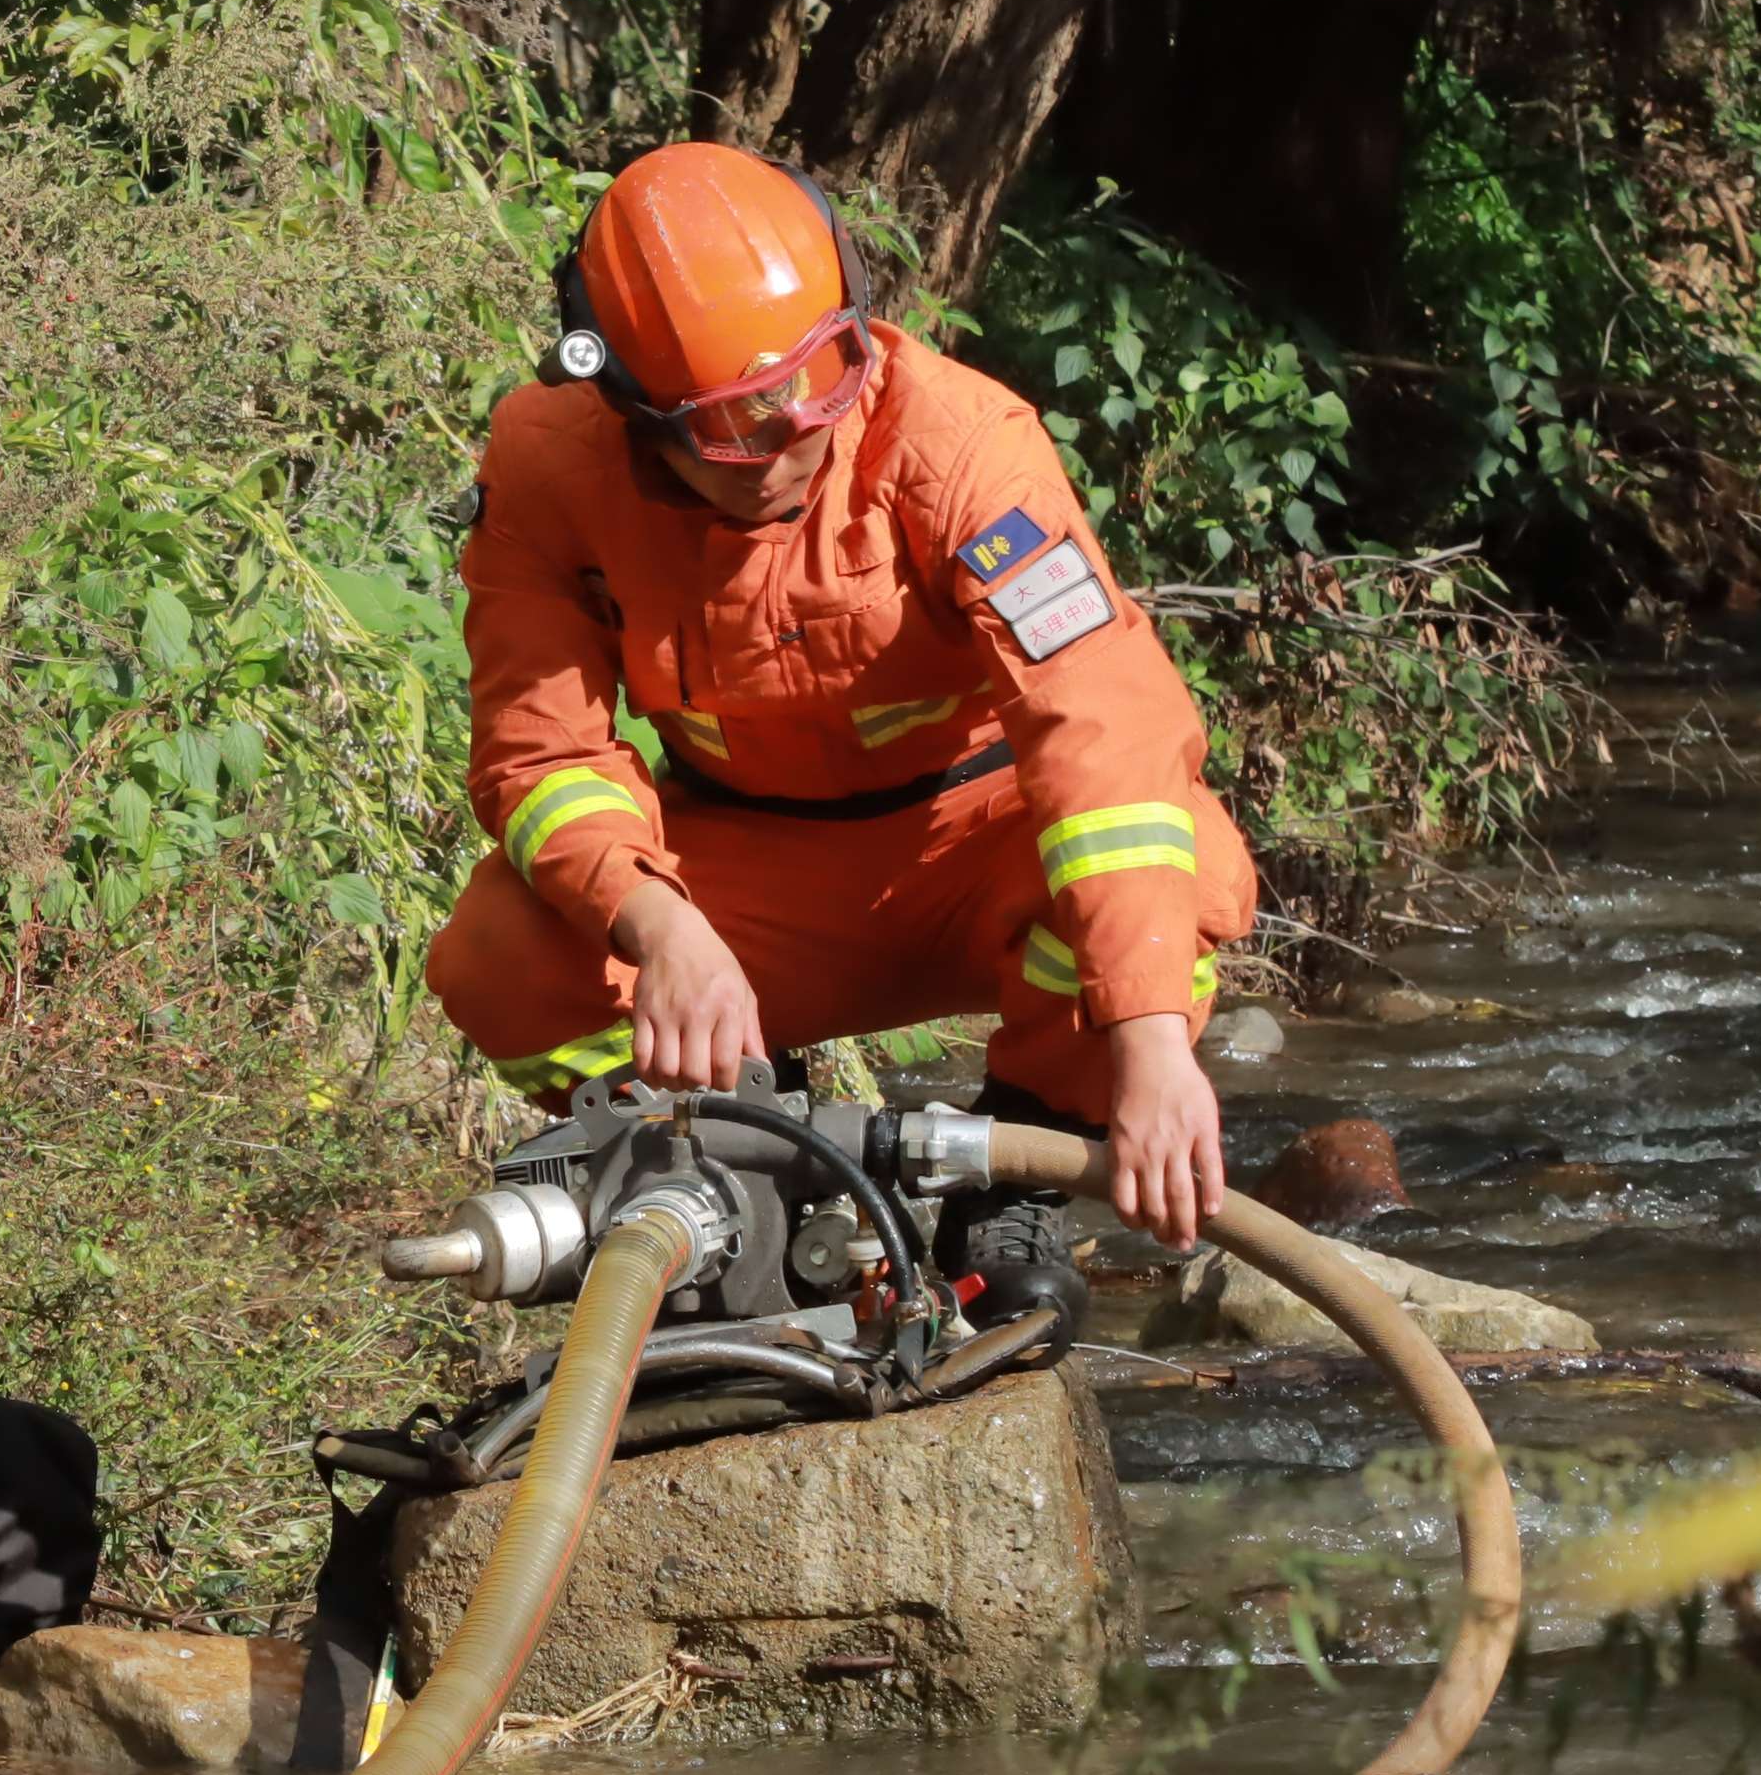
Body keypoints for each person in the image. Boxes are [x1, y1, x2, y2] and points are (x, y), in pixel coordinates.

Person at [425, 144, 1258, 1319]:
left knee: (1186, 873)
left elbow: (1104, 732)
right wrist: (658, 924)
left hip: (973, 845)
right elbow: (540, 751)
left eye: (817, 382)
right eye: (732, 426)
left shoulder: (962, 445)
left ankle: (1010, 1177)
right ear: (633, 413)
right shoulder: (550, 463)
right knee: (496, 958)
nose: (790, 441)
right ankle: (744, 1172)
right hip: (745, 878)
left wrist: (1152, 1049)